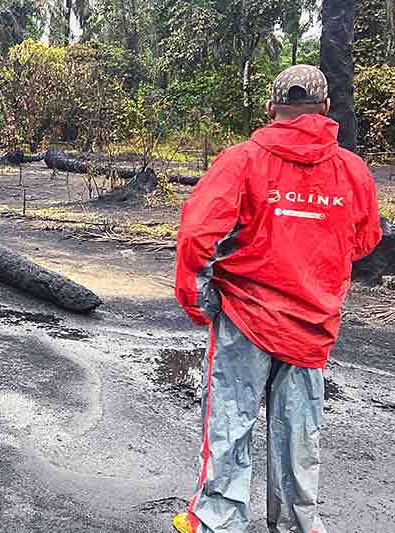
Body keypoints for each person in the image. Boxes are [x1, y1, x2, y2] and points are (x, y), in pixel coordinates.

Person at [172, 64, 382, 533]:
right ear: (326, 110)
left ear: (271, 110)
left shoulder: (242, 160)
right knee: (299, 437)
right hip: (313, 326)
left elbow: (196, 233)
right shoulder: (351, 170)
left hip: (245, 320)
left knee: (229, 424)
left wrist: (195, 295)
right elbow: (366, 240)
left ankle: (218, 521)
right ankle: (297, 525)